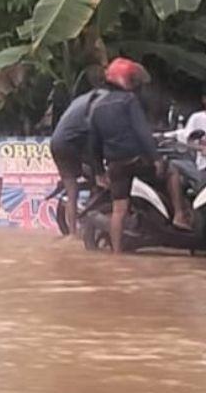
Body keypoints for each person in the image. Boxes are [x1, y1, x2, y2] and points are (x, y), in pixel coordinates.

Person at [88, 58, 191, 252]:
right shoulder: (128, 100)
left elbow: (94, 143)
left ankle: (117, 254)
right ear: (126, 80)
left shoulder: (97, 107)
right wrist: (157, 159)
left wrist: (99, 171)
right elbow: (142, 132)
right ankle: (179, 215)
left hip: (115, 165)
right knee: (173, 172)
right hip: (136, 160)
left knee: (119, 210)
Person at [49, 69, 109, 237]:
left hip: (57, 143)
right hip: (72, 145)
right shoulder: (103, 98)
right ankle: (95, 213)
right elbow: (94, 134)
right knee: (102, 177)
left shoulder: (82, 99)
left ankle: (72, 235)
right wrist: (99, 171)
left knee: (72, 192)